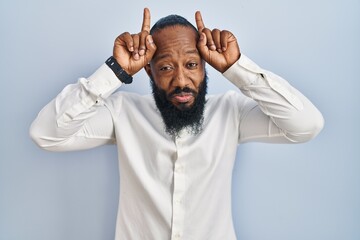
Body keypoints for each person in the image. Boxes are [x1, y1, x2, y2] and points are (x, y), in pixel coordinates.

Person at [30, 8, 324, 240]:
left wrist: (237, 68)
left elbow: (306, 125)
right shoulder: (123, 113)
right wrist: (115, 71)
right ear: (149, 70)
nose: (181, 81)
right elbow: (46, 134)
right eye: (166, 67)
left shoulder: (231, 112)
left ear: (206, 64)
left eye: (192, 65)